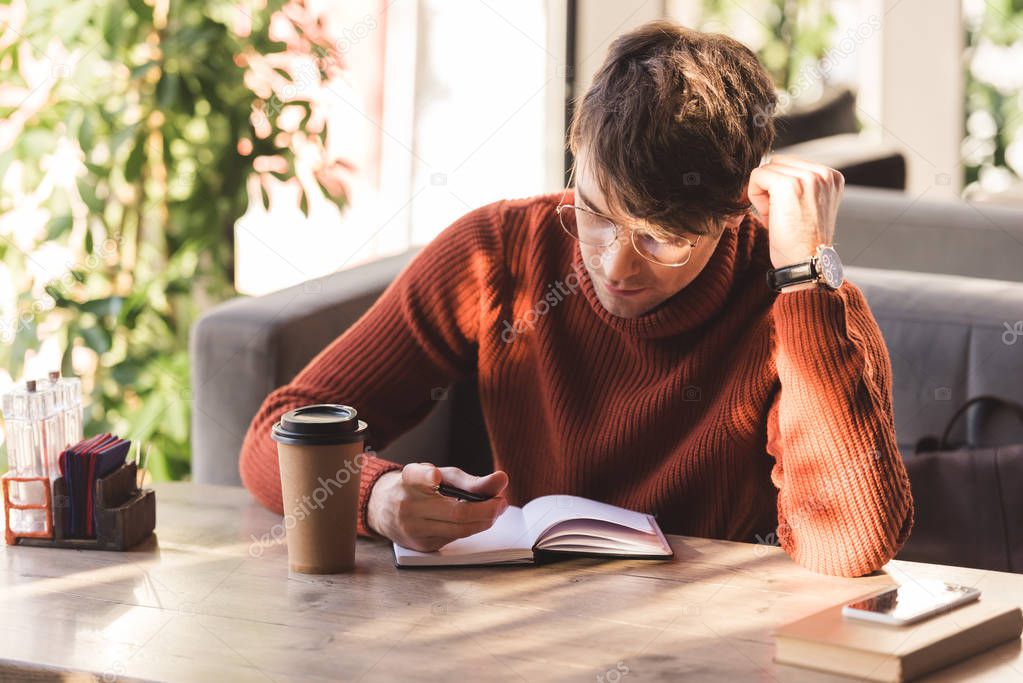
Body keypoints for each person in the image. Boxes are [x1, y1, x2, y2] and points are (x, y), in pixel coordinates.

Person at [239, 20, 913, 577]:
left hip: (712, 644)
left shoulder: (791, 299)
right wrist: (378, 496)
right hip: (528, 630)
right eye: (592, 211)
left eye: (660, 238)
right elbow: (274, 434)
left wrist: (804, 279)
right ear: (575, 152)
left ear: (733, 210)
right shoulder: (497, 251)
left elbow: (849, 546)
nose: (612, 264)